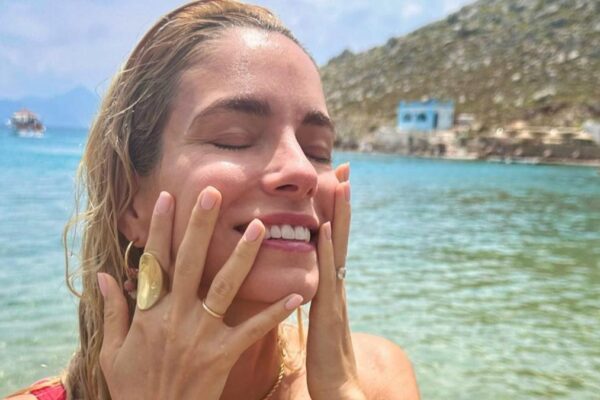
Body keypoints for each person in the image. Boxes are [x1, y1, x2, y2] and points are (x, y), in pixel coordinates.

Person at [7, 1, 419, 399]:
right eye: (233, 139)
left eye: (318, 150)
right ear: (130, 202)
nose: (302, 171)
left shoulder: (375, 380)